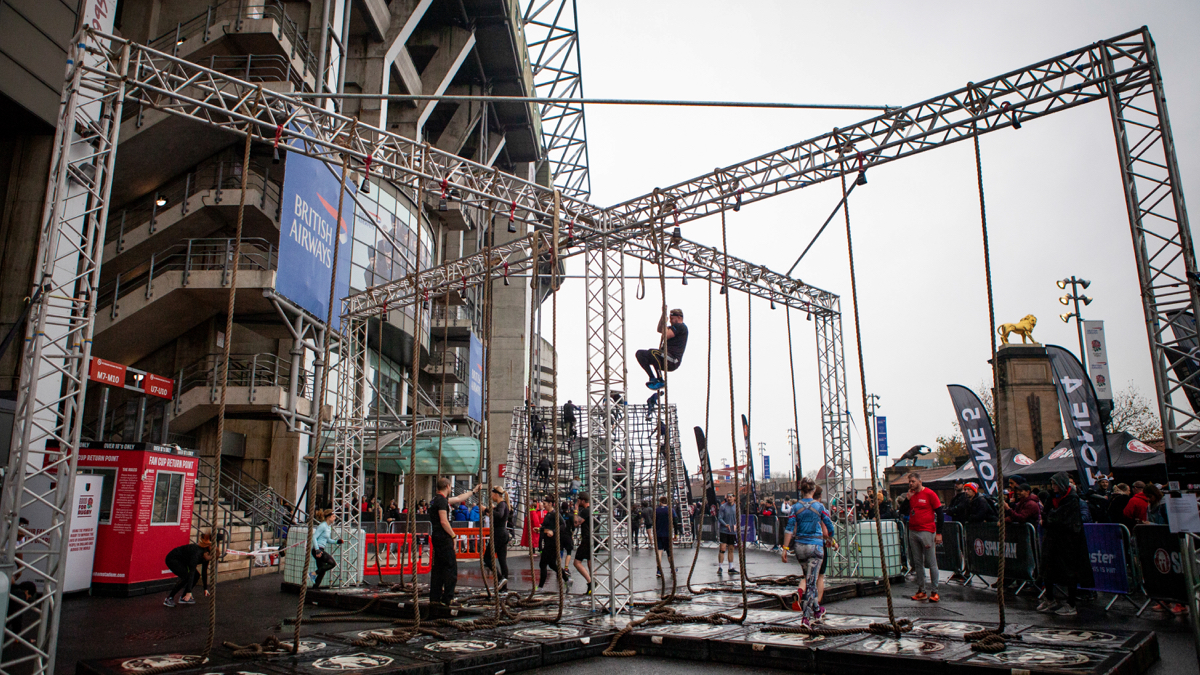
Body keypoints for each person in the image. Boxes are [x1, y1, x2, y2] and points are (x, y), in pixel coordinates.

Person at [781, 477, 837, 626]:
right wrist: (832, 541)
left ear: (801, 491)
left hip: (800, 547)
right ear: (813, 490)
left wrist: (785, 549)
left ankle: (817, 610)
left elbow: (789, 528)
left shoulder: (795, 508)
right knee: (812, 583)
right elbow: (829, 526)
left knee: (809, 578)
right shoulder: (819, 507)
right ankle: (806, 617)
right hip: (815, 546)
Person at [1038, 472, 1094, 616]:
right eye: (1052, 484)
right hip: (1053, 540)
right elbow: (1046, 513)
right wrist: (1050, 518)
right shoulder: (1052, 497)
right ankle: (1050, 599)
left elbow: (1061, 519)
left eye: (1055, 484)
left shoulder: (1072, 499)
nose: (1053, 487)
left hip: (1069, 542)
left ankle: (1071, 603)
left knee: (1070, 572)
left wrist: (1050, 519)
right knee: (1047, 568)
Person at [429, 478, 482, 605]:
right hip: (443, 537)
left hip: (436, 536)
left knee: (438, 568)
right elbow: (443, 521)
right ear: (447, 486)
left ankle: (435, 598)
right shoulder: (442, 501)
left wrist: (473, 492)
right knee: (450, 567)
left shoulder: (435, 500)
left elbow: (458, 498)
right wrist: (453, 536)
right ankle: (448, 598)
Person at [905, 472, 944, 602]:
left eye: (913, 481)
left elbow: (940, 513)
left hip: (927, 531)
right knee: (917, 562)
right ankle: (921, 590)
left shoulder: (930, 494)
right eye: (910, 481)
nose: (911, 484)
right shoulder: (911, 495)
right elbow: (903, 511)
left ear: (920, 482)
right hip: (913, 530)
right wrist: (907, 499)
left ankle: (935, 591)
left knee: (931, 561)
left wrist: (939, 533)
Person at [635, 308, 689, 390]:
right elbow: (660, 329)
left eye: (672, 319)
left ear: (678, 317)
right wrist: (663, 316)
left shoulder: (681, 327)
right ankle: (652, 378)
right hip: (664, 357)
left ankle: (660, 380)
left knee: (653, 352)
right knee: (640, 354)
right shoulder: (673, 327)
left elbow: (666, 335)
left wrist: (665, 323)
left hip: (673, 360)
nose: (670, 321)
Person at [163, 533, 213, 607]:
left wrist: (205, 588)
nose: (210, 560)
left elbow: (204, 572)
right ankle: (169, 598)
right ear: (207, 554)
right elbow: (191, 572)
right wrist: (189, 591)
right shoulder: (196, 554)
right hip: (173, 558)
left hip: (183, 561)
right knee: (186, 576)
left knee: (197, 576)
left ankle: (184, 598)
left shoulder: (207, 556)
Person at [308, 510, 343, 589]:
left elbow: (327, 540)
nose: (335, 518)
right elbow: (314, 537)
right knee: (332, 563)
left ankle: (315, 588)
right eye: (333, 517)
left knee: (322, 571)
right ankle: (313, 574)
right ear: (329, 517)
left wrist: (337, 541)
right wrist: (317, 550)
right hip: (318, 550)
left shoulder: (328, 527)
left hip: (321, 549)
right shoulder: (322, 526)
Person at [485, 487, 511, 590]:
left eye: (492, 494)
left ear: (496, 494)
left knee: (487, 558)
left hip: (498, 534)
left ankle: (501, 579)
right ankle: (504, 587)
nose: (491, 496)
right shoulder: (504, 505)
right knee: (502, 560)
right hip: (503, 533)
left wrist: (487, 509)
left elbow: (499, 515)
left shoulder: (501, 504)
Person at [572, 493, 595, 593]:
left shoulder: (585, 511)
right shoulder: (593, 509)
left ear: (582, 501)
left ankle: (590, 582)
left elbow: (576, 523)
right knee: (590, 561)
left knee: (577, 562)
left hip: (587, 538)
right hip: (595, 538)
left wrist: (576, 509)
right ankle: (593, 582)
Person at [717, 492, 739, 576]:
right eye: (728, 497)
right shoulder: (723, 507)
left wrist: (736, 525)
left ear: (734, 498)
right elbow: (720, 518)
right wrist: (725, 524)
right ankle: (720, 567)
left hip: (732, 531)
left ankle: (731, 567)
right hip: (724, 530)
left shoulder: (736, 507)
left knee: (731, 549)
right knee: (722, 548)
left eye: (730, 497)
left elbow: (738, 517)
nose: (729, 498)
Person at [652, 496, 674, 578]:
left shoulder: (656, 511)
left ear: (660, 502)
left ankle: (658, 570)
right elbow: (675, 520)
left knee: (659, 552)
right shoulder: (670, 510)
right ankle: (672, 568)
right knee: (669, 552)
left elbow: (653, 521)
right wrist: (676, 534)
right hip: (667, 534)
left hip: (658, 534)